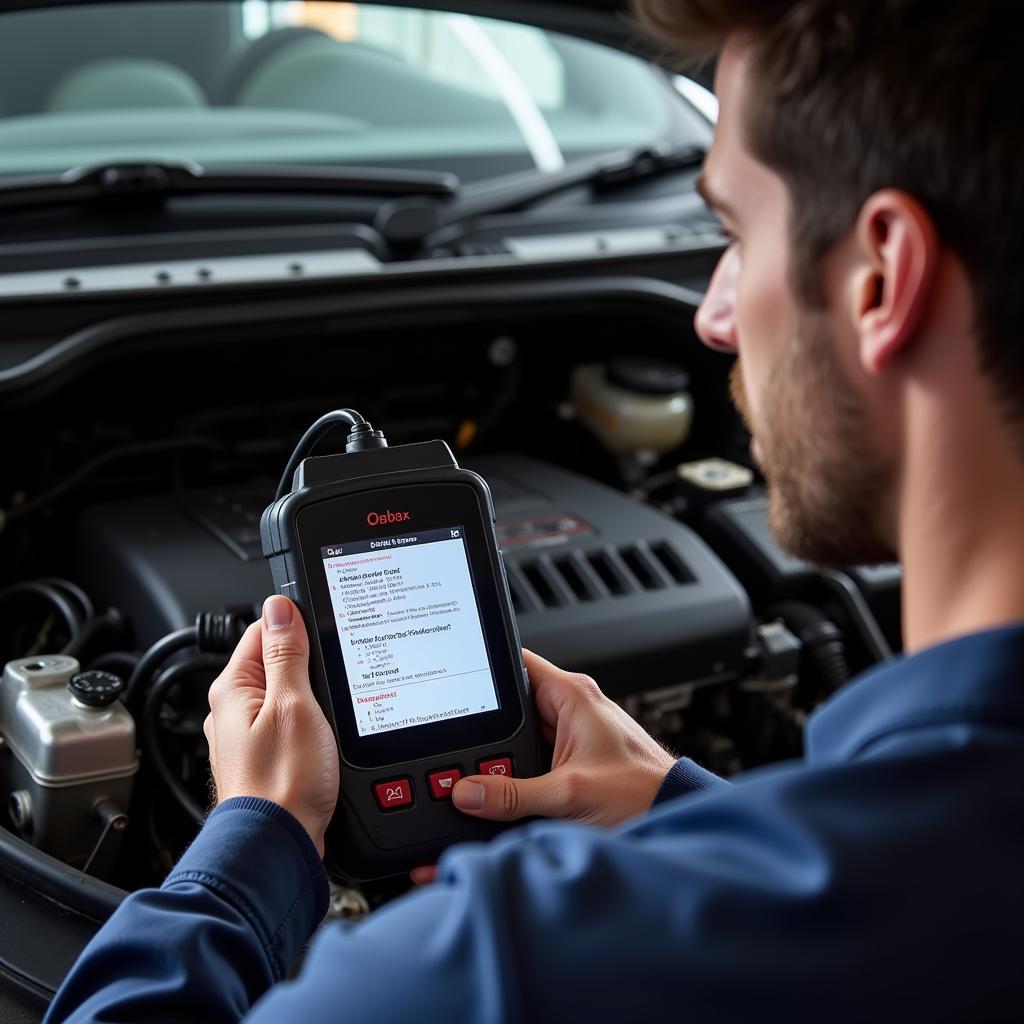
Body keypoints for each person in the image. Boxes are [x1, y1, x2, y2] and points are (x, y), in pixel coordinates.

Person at [46, 1, 1024, 1020]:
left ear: (881, 276)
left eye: (732, 233)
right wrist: (687, 813)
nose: (712, 314)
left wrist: (258, 835)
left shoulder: (505, 966)